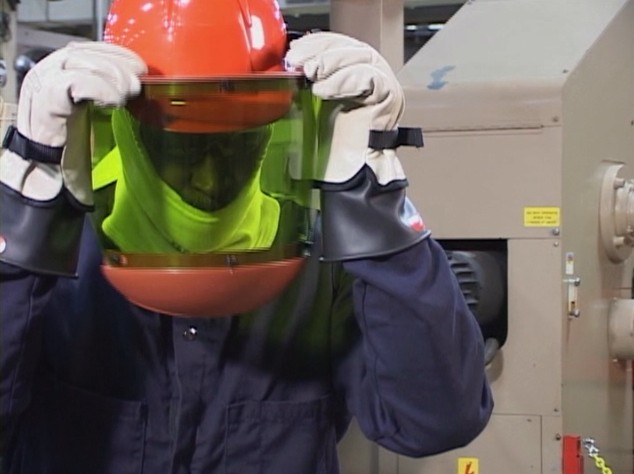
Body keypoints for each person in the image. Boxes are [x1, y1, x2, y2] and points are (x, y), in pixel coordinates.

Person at [0, 0, 493, 472]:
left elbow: (436, 421)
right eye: (183, 148)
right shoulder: (58, 260)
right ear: (127, 132)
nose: (211, 181)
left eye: (236, 145)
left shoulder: (325, 257)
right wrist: (22, 214)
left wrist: (377, 205)